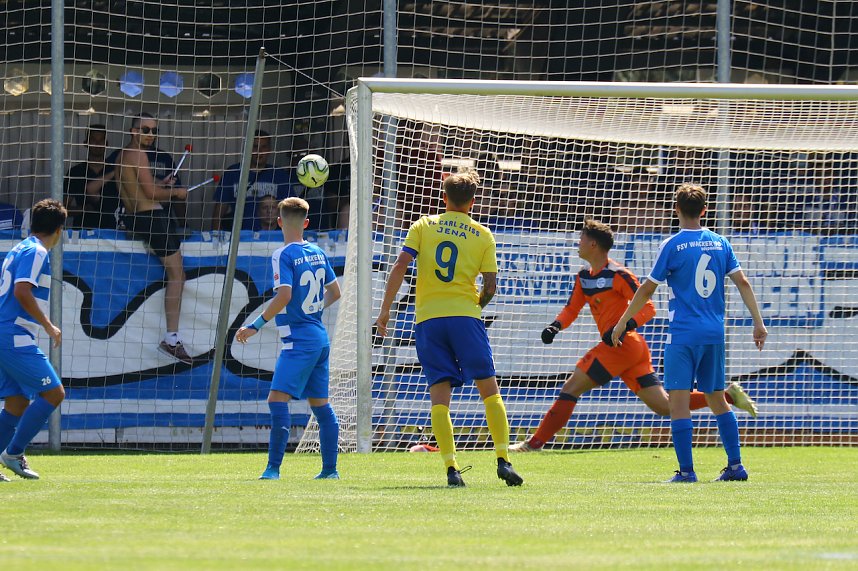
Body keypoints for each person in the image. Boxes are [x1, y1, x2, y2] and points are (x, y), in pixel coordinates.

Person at [510, 219, 758, 452]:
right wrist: (555, 326)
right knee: (663, 406)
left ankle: (534, 443)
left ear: (593, 244)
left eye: (581, 238)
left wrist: (622, 326)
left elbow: (649, 308)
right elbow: (571, 309)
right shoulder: (584, 277)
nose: (578, 243)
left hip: (622, 345)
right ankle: (727, 395)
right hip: (630, 349)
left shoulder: (619, 275)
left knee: (571, 387)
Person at [374, 170, 523, 488]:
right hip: (465, 318)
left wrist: (385, 311)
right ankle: (503, 460)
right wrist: (474, 308)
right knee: (489, 390)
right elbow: (491, 286)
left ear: (444, 198)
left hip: (428, 320)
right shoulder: (483, 234)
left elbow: (400, 265)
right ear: (472, 201)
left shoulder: (423, 226)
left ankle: (451, 468)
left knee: (439, 395)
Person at [611, 183, 768, 482]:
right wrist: (758, 323)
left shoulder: (672, 245)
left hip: (683, 334)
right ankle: (736, 466)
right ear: (705, 210)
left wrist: (622, 323)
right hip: (713, 334)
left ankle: (686, 472)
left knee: (678, 403)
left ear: (677, 210)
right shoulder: (721, 243)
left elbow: (646, 289)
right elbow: (743, 283)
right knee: (717, 399)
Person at [235, 197, 341, 480]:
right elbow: (335, 292)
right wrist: (312, 309)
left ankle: (273, 469)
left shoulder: (282, 254)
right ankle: (330, 471)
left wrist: (255, 325)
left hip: (299, 341)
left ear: (279, 222)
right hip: (319, 338)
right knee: (320, 405)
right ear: (306, 223)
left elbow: (284, 295)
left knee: (276, 400)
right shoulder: (318, 251)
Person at [0, 199, 67, 481]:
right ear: (60, 230)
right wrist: (49, 325)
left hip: (7, 332)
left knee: (16, 403)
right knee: (54, 393)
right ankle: (13, 453)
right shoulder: (37, 250)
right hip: (12, 333)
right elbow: (22, 292)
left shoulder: (19, 248)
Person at [117, 112, 192, 364]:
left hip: (136, 218)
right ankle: (171, 338)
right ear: (133, 131)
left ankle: (171, 337)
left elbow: (141, 189)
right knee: (177, 275)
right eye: (145, 130)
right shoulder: (138, 155)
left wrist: (163, 183)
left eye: (154, 131)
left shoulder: (122, 156)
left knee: (176, 274)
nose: (150, 135)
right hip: (152, 219)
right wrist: (176, 193)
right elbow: (150, 193)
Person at [213, 130, 297, 231]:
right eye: (255, 147)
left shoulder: (279, 175)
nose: (259, 151)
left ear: (269, 150)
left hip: (272, 239)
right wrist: (216, 239)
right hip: (240, 239)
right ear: (247, 149)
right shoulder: (232, 173)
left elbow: (292, 212)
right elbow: (218, 213)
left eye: (263, 147)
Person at [64, 124, 120, 229]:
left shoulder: (115, 172)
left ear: (106, 143)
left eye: (101, 140)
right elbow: (62, 209)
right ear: (86, 143)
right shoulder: (76, 172)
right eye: (93, 140)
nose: (98, 144)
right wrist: (83, 209)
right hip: (82, 232)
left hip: (112, 231)